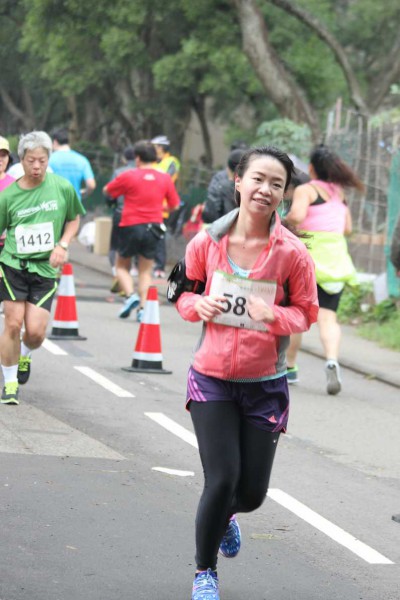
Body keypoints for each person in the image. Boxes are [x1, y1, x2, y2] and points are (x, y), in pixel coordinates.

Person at [173, 146, 318, 600]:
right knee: (221, 479)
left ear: (284, 194)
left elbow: (306, 312)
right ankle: (205, 573)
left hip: (264, 385)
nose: (265, 190)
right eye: (258, 179)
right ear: (238, 181)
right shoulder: (205, 242)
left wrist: (275, 316)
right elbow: (180, 293)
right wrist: (198, 305)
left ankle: (227, 515)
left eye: (277, 184)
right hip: (211, 378)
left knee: (252, 493)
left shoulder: (292, 253)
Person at [0, 131, 85, 405]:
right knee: (12, 324)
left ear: (48, 159)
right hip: (13, 264)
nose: (36, 166)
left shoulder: (62, 188)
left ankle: (25, 353)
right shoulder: (8, 195)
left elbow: (74, 218)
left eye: (42, 161)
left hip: (45, 269)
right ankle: (10, 383)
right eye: (31, 161)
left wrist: (63, 244)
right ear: (21, 160)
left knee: (35, 333)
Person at [285, 144, 364, 394]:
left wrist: (282, 220)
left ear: (311, 168)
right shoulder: (340, 193)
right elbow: (347, 228)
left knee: (297, 315)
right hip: (336, 261)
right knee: (328, 318)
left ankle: (289, 367)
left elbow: (297, 216)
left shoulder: (306, 190)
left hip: (309, 260)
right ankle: (331, 360)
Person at [103, 140, 180, 322]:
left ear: (137, 158)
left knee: (121, 266)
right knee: (145, 271)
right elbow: (175, 205)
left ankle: (131, 296)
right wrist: (161, 209)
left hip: (130, 225)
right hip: (153, 227)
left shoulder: (129, 175)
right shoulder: (164, 178)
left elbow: (108, 190)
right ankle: (142, 308)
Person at [104, 146, 136, 293]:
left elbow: (110, 194)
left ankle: (117, 275)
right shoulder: (146, 172)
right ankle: (126, 278)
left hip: (120, 213)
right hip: (140, 218)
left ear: (124, 158)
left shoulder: (119, 172)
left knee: (114, 247)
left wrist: (111, 204)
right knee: (129, 249)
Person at [151, 135, 181, 278]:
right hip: (149, 205)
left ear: (161, 148)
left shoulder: (172, 161)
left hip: (163, 208)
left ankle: (159, 267)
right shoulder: (153, 162)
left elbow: (167, 179)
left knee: (159, 236)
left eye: (154, 146)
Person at [49, 128, 96, 201]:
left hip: (55, 203)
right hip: (74, 203)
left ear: (55, 142)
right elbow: (91, 185)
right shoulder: (82, 160)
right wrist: (84, 193)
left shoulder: (49, 159)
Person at [202, 149, 246, 224]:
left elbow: (209, 214)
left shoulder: (219, 183)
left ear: (228, 168)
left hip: (220, 227)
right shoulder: (252, 188)